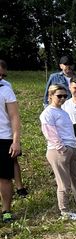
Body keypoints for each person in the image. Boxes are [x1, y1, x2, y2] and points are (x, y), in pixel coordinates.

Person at [40, 84, 76, 220]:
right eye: (59, 96)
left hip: (71, 149)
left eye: (65, 96)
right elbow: (50, 133)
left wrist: (74, 149)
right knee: (63, 183)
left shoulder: (63, 112)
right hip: (58, 151)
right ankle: (64, 211)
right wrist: (62, 149)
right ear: (51, 96)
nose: (62, 98)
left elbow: (68, 131)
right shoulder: (48, 113)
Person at [0, 60, 27, 198]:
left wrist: (15, 140)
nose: (1, 77)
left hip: (6, 136)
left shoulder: (6, 88)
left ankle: (19, 186)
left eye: (3, 75)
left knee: (12, 162)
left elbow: (14, 115)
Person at [0, 67, 21, 223]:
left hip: (4, 138)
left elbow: (14, 117)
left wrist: (15, 141)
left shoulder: (6, 91)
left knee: (5, 178)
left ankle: (6, 210)